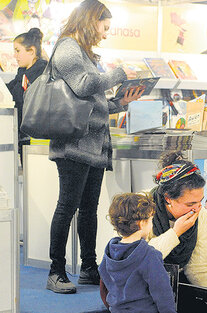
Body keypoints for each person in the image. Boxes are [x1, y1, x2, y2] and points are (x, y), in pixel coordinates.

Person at [46, 0, 143, 294]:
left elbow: (94, 103)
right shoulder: (67, 48)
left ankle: (89, 267)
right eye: (105, 27)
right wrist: (118, 75)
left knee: (88, 210)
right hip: (74, 144)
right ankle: (56, 270)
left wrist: (120, 103)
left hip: (94, 144)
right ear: (91, 21)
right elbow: (84, 85)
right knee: (67, 207)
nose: (105, 33)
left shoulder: (85, 53)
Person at [147, 151, 207, 312]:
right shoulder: (142, 208)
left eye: (200, 201)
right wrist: (175, 233)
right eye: (190, 204)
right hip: (142, 286)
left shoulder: (201, 215)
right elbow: (140, 261)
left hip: (178, 283)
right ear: (168, 198)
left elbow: (199, 266)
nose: (197, 208)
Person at [98, 193, 176, 313]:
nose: (151, 224)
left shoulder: (109, 250)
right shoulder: (149, 255)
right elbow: (163, 293)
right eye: (150, 220)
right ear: (142, 223)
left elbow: (104, 278)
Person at [6, 27, 47, 166]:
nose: (15, 55)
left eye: (18, 51)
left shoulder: (42, 75)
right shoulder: (22, 73)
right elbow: (8, 91)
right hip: (23, 137)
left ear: (31, 51)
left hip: (37, 141)